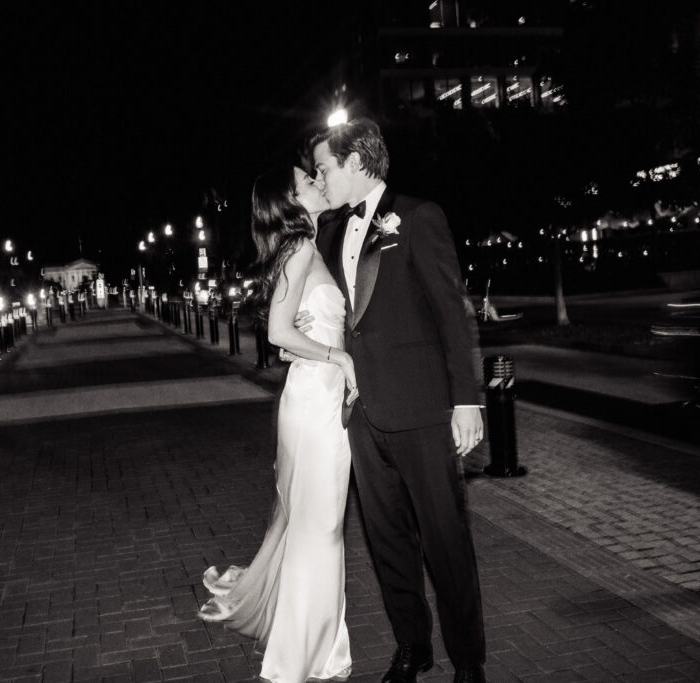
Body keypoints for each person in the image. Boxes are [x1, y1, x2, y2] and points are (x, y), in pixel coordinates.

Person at [307, 118, 487, 683]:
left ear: (357, 162)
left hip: (423, 409)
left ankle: (468, 663)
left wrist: (466, 401)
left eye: (325, 168)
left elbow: (451, 313)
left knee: (446, 543)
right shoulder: (331, 233)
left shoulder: (418, 216)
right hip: (363, 416)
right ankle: (413, 646)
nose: (320, 177)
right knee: (387, 546)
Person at [199, 164, 356, 683]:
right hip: (315, 406)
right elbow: (277, 330)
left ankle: (319, 643)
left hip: (314, 397)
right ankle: (301, 657)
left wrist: (313, 350)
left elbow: (292, 334)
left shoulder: (306, 246)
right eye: (307, 179)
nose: (316, 179)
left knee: (317, 525)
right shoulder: (302, 250)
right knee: (322, 529)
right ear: (292, 200)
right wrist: (337, 356)